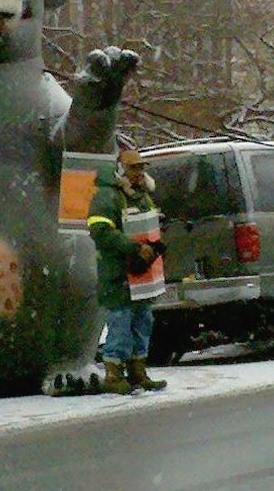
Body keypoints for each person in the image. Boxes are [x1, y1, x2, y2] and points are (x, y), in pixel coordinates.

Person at [87, 148, 167, 394]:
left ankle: (137, 371)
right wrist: (134, 247)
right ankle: (113, 374)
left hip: (142, 276)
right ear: (121, 169)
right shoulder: (107, 197)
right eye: (134, 168)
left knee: (142, 323)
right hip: (118, 276)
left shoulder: (141, 196)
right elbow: (100, 232)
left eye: (142, 168)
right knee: (120, 325)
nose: (139, 173)